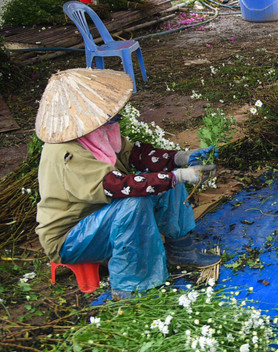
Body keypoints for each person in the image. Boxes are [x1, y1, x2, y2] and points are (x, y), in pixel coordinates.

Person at [34, 68, 221, 299]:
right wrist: (179, 176)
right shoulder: (66, 153)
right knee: (136, 202)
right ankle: (131, 287)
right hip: (71, 237)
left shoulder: (96, 134)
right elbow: (117, 186)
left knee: (165, 178)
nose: (114, 119)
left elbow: (135, 155)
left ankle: (182, 250)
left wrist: (179, 159)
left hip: (102, 215)